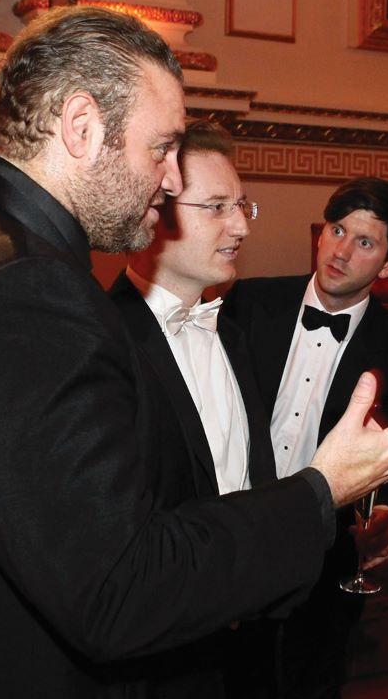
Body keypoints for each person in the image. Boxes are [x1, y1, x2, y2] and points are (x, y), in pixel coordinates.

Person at [0, 7, 388, 699]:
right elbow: (118, 588)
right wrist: (321, 489)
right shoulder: (29, 289)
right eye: (161, 148)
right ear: (81, 127)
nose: (171, 179)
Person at [223, 177, 388, 699]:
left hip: (328, 550)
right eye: (337, 231)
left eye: (364, 242)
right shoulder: (246, 304)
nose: (341, 252)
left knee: (312, 681)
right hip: (234, 530)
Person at [107, 119, 275, 695]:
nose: (239, 227)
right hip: (159, 660)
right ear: (156, 213)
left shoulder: (234, 329)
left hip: (246, 642)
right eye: (217, 207)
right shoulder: (105, 344)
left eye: (242, 206)